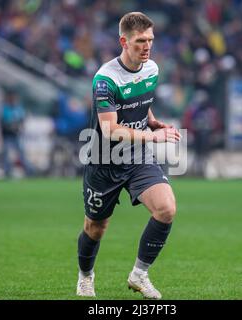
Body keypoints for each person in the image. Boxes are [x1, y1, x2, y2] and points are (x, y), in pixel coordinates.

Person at [77, 12, 181, 299]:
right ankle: (85, 277)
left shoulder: (152, 69)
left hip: (137, 156)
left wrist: (152, 121)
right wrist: (154, 136)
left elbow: (139, 101)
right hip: (104, 160)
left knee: (166, 208)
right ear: (124, 41)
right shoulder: (105, 79)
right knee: (96, 227)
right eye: (140, 41)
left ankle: (139, 274)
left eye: (150, 40)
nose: (146, 46)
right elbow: (110, 129)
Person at [0, 91, 32, 178]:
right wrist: (11, 126)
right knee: (6, 154)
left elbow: (22, 120)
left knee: (21, 153)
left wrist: (19, 126)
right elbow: (3, 122)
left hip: (16, 135)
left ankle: (28, 170)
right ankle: (7, 171)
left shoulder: (19, 108)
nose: (14, 100)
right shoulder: (4, 109)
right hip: (7, 135)